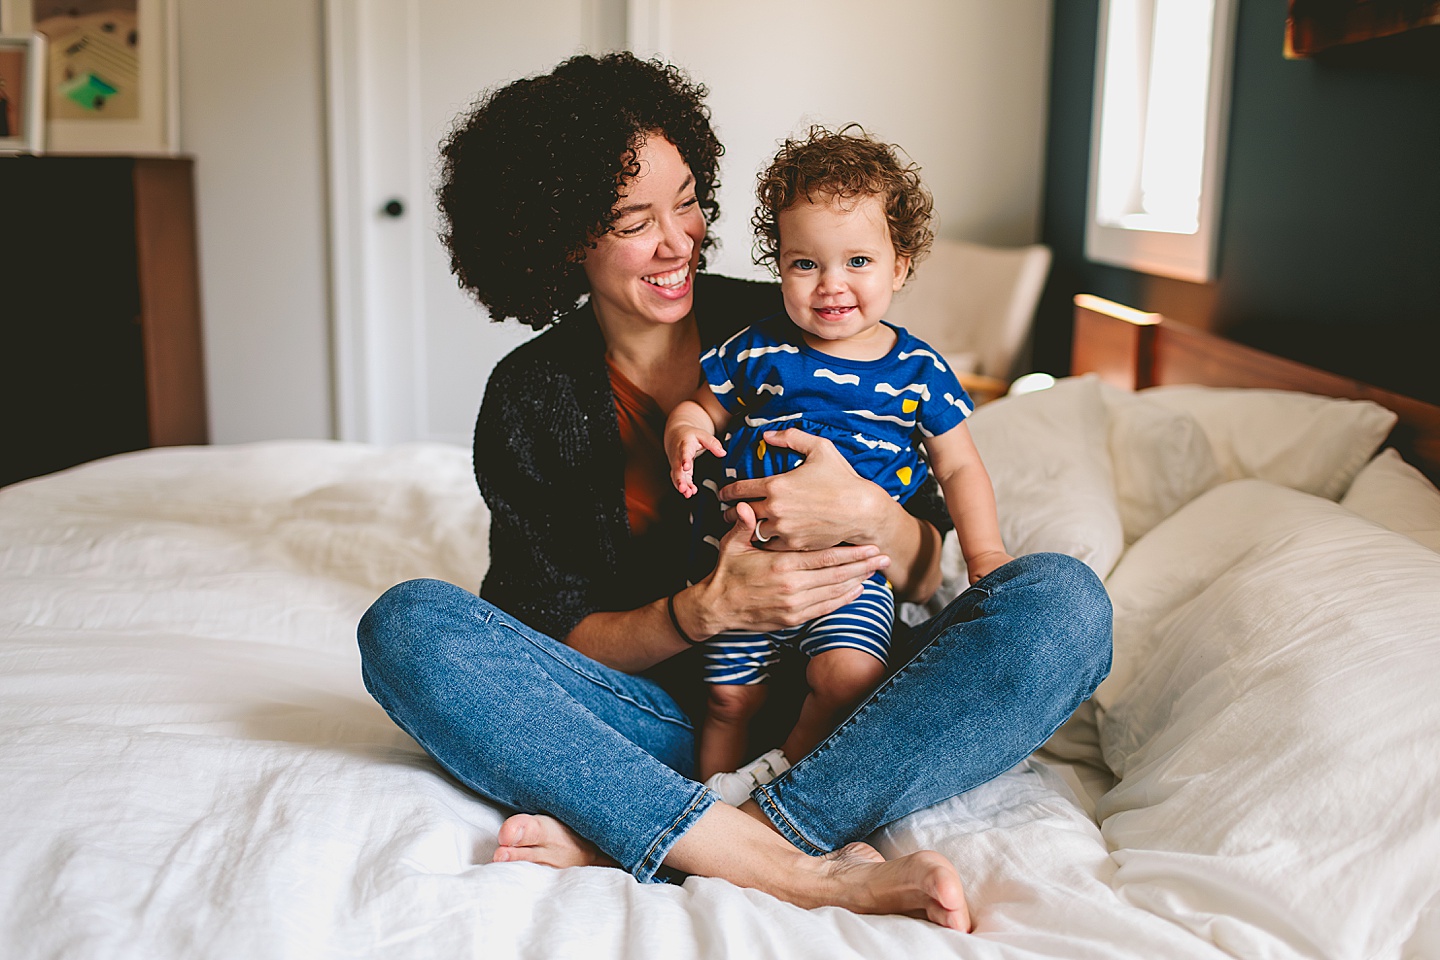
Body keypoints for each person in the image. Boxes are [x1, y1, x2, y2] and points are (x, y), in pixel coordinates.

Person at [356, 52, 1111, 934]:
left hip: (861, 702)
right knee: (407, 629)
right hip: (675, 719)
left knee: (1065, 606)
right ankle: (800, 868)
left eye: (687, 202)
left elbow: (930, 566)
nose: (679, 240)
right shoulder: (531, 397)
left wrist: (872, 518)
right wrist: (702, 612)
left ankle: (710, 840)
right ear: (565, 238)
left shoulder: (792, 315)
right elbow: (549, 634)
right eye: (635, 220)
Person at [666, 127, 1012, 798]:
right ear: (781, 265)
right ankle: (709, 801)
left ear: (899, 266)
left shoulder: (918, 371)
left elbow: (960, 467)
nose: (831, 285)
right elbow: (700, 407)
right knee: (728, 700)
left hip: (850, 572)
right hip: (748, 567)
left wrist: (987, 555)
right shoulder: (760, 348)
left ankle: (777, 782)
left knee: (848, 682)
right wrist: (683, 432)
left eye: (858, 261)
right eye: (805, 264)